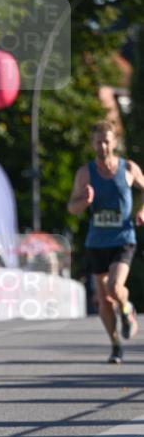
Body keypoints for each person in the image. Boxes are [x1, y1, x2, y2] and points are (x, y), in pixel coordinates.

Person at [68, 120, 144, 364]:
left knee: (114, 286)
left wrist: (142, 211)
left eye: (106, 141)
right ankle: (115, 345)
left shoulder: (128, 168)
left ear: (115, 142)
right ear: (93, 143)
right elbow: (72, 207)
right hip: (96, 241)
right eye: (98, 141)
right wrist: (86, 202)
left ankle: (126, 308)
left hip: (123, 239)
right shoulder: (85, 173)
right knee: (103, 298)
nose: (102, 146)